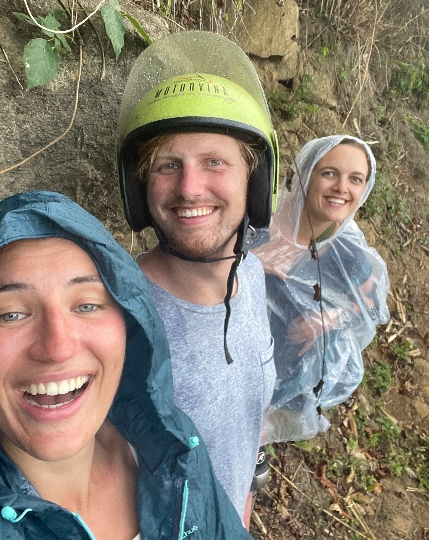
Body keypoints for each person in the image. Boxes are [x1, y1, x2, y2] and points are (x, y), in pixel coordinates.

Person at [0, 190, 251, 539]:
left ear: (129, 327)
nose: (57, 348)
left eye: (87, 305)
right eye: (11, 314)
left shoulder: (174, 449)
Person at [116, 31, 278, 528]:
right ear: (141, 189)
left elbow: (244, 423)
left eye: (214, 162)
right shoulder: (120, 313)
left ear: (254, 182)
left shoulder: (251, 277)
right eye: (168, 166)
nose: (189, 188)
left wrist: (242, 508)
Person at [251, 135, 391, 443]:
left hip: (277, 384)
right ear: (305, 173)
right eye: (329, 173)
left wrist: (330, 319)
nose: (342, 187)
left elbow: (372, 304)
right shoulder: (256, 218)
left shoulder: (347, 250)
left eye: (355, 179)